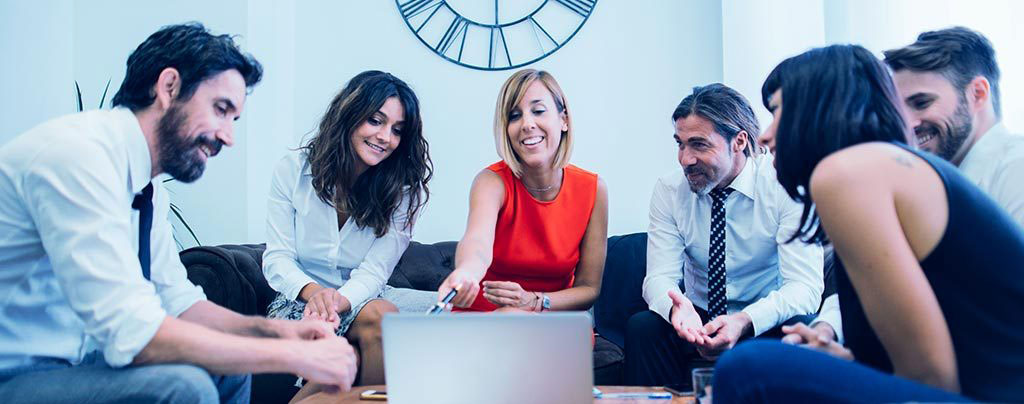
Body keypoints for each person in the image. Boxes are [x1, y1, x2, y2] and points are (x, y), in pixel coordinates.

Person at [0, 23, 357, 404]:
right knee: (185, 387)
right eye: (221, 110)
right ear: (168, 87)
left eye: (233, 119)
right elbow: (132, 335)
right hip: (16, 371)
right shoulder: (79, 157)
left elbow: (179, 304)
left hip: (77, 363)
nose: (228, 136)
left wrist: (279, 333)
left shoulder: (145, 187)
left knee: (226, 367)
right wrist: (293, 356)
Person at [715, 44, 1024, 403]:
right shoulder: (888, 166)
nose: (765, 136)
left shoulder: (849, 172)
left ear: (818, 108)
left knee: (748, 367)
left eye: (778, 111)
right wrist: (845, 364)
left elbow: (931, 377)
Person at [778, 25, 1024, 357]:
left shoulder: (1016, 167)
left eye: (921, 103)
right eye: (901, 106)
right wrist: (830, 328)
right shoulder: (924, 177)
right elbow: (886, 276)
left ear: (978, 94)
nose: (908, 122)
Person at [624, 83, 824, 386]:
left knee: (803, 329)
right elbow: (658, 278)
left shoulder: (784, 185)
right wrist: (679, 311)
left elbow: (805, 288)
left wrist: (745, 321)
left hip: (761, 317)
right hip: (696, 317)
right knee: (643, 327)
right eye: (680, 144)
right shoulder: (669, 190)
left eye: (699, 145)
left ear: (739, 141)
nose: (685, 159)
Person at [262, 71, 436, 394]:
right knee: (350, 354)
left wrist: (338, 301)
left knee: (383, 317)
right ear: (349, 115)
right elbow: (277, 258)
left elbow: (375, 271)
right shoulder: (293, 170)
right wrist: (316, 294)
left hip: (361, 298)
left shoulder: (403, 191)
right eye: (375, 121)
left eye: (397, 130)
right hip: (299, 299)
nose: (385, 137)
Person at [437, 69, 608, 315]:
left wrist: (535, 301)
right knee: (509, 317)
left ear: (564, 120)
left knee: (513, 317)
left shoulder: (593, 189)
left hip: (549, 321)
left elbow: (589, 289)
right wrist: (466, 272)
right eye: (514, 116)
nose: (527, 124)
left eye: (538, 111)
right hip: (483, 320)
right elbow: (477, 243)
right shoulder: (491, 182)